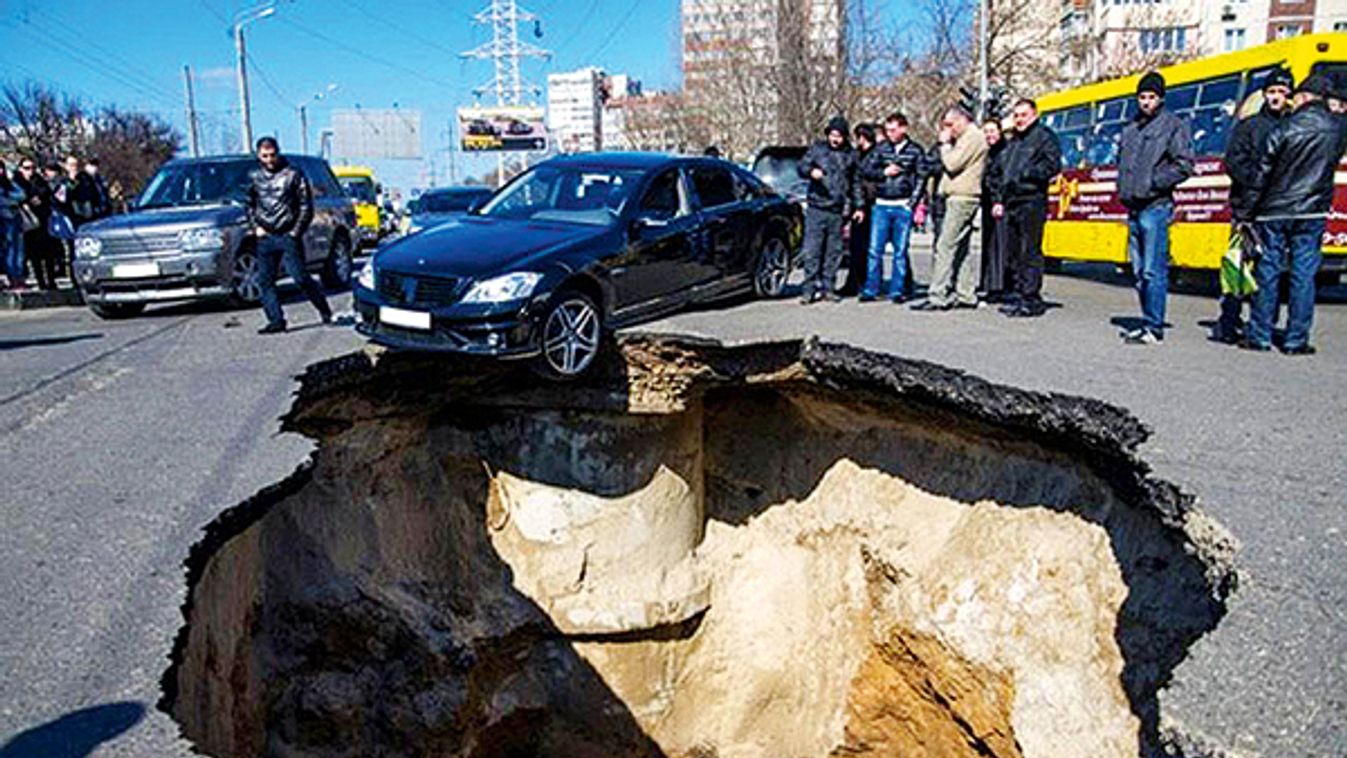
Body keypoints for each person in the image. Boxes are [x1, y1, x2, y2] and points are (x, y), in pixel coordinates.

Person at [1244, 72, 1347, 355]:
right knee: (1304, 275)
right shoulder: (1337, 130)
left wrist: (1247, 211)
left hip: (1274, 212)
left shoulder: (1283, 128)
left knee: (1269, 272)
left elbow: (1262, 173)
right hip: (1313, 211)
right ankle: (1295, 340)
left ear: (1302, 97)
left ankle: (1260, 335)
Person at [1213, 67, 1293, 344]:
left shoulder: (1292, 127)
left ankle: (1262, 325)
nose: (1275, 97)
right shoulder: (1248, 127)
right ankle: (1229, 322)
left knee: (1268, 272)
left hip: (1276, 209)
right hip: (1245, 209)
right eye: (1271, 92)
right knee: (1237, 267)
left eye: (1282, 93)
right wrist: (1257, 183)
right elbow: (1234, 162)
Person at [1117, 71, 1194, 344]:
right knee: (1138, 272)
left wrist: (1153, 182)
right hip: (1134, 207)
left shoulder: (1173, 125)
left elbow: (1184, 165)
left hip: (1155, 206)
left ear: (1160, 98)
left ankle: (1154, 326)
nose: (1145, 102)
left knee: (1153, 270)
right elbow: (1123, 166)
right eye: (1142, 97)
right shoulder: (1131, 129)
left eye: (1151, 97)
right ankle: (1147, 321)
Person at [245, 136, 332, 333]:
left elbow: (305, 206)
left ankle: (324, 309)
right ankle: (276, 320)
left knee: (300, 277)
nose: (269, 159)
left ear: (278, 152)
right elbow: (248, 204)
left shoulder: (293, 174)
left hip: (288, 235)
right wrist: (255, 227)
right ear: (258, 155)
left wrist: (295, 232)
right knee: (265, 281)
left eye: (272, 155)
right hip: (265, 236)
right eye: (265, 155)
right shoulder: (254, 176)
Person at [914, 105, 987, 311]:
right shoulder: (964, 138)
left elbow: (953, 163)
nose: (948, 130)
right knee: (961, 248)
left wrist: (945, 145)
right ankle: (966, 293)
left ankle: (937, 295)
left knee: (945, 246)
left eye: (949, 125)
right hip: (956, 196)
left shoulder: (973, 137)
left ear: (961, 120)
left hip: (963, 197)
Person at [995, 98, 1061, 318]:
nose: (1019, 119)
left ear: (1034, 115)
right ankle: (1018, 294)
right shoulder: (1014, 141)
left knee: (1029, 250)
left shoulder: (1043, 136)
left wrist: (1028, 174)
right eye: (1016, 115)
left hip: (1032, 199)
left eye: (1023, 115)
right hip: (1013, 200)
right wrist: (1002, 195)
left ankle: (1031, 298)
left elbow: (1052, 165)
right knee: (1013, 252)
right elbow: (1005, 169)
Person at [858, 112, 925, 303]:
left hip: (902, 205)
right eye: (887, 130)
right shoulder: (881, 149)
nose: (890, 134)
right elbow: (866, 170)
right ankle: (871, 289)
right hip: (881, 205)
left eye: (893, 130)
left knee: (900, 251)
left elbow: (921, 177)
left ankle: (897, 290)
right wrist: (883, 172)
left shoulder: (915, 150)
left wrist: (911, 203)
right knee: (874, 250)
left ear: (904, 129)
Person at [796, 116, 860, 304]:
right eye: (832, 135)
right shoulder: (817, 149)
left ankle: (828, 288)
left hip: (837, 209)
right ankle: (808, 289)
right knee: (812, 251)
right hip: (817, 207)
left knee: (834, 252)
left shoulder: (851, 155)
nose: (835, 139)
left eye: (839, 136)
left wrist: (859, 206)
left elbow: (855, 182)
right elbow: (801, 166)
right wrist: (810, 172)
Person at [842, 122, 878, 296]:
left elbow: (864, 179)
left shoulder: (876, 154)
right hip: (860, 204)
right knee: (857, 246)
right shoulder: (856, 155)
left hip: (872, 204)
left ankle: (868, 282)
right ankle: (855, 282)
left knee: (872, 247)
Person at [980, 118, 1012, 302]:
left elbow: (1002, 178)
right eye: (986, 131)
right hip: (988, 202)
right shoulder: (988, 152)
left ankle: (999, 286)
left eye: (992, 131)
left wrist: (999, 200)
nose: (989, 135)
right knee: (989, 243)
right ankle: (989, 283)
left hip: (999, 203)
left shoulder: (1005, 151)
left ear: (1000, 131)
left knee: (999, 245)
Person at [13, 157, 58, 290]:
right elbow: (16, 196)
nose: (30, 171)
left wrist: (40, 198)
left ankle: (51, 280)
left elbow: (47, 193)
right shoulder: (17, 182)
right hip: (26, 222)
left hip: (43, 219)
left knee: (48, 252)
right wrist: (27, 200)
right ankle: (40, 281)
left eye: (32, 167)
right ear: (20, 169)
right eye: (26, 168)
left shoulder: (39, 180)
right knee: (34, 254)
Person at [0, 159, 27, 290]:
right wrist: (10, 201)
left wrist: (10, 198)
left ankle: (18, 277)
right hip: (3, 222)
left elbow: (22, 194)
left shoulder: (9, 184)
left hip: (15, 220)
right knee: (8, 251)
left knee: (18, 250)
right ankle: (11, 277)